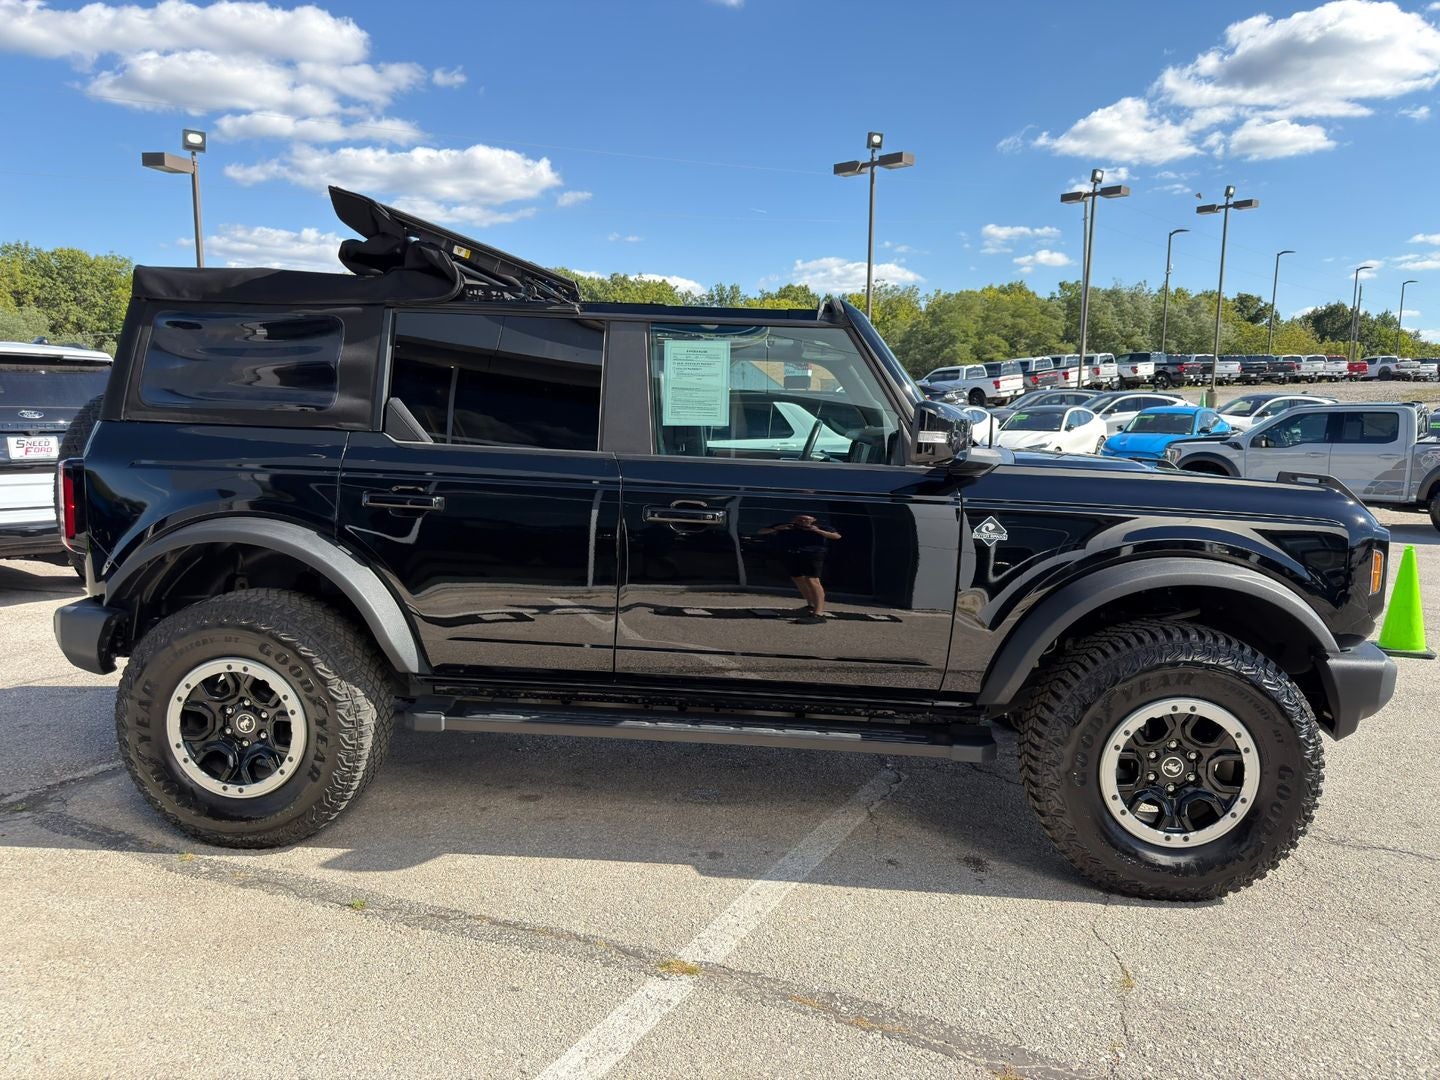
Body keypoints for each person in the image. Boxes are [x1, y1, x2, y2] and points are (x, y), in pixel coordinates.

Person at [759, 514, 841, 624]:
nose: (802, 521)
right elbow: (761, 531)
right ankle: (810, 605)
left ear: (813, 520)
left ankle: (818, 613)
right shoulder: (787, 526)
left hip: (812, 555)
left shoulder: (821, 527)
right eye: (799, 519)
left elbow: (836, 536)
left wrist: (817, 531)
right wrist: (776, 529)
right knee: (797, 578)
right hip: (791, 554)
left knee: (812, 581)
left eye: (806, 519)